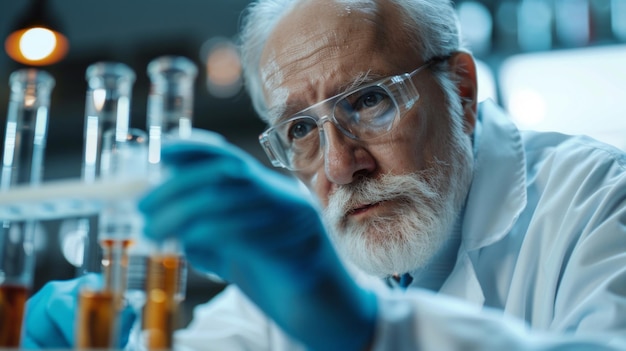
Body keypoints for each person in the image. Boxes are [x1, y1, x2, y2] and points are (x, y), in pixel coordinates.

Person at [22, 0, 626, 350]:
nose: (341, 166)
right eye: (301, 131)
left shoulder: (597, 200)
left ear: (462, 91)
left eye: (368, 102)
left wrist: (369, 330)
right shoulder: (301, 258)